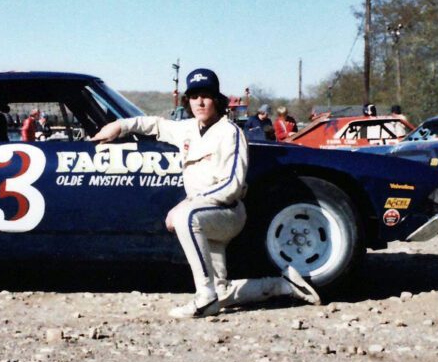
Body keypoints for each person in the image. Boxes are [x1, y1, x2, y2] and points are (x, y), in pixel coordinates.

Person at [90, 68, 320, 319]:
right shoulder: (187, 129)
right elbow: (155, 124)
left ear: (217, 100)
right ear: (187, 101)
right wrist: (119, 126)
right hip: (204, 214)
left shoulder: (230, 132)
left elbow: (232, 185)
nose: (200, 102)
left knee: (185, 218)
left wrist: (188, 205)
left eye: (206, 96)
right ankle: (284, 286)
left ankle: (203, 297)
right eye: (194, 96)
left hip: (226, 212)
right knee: (222, 291)